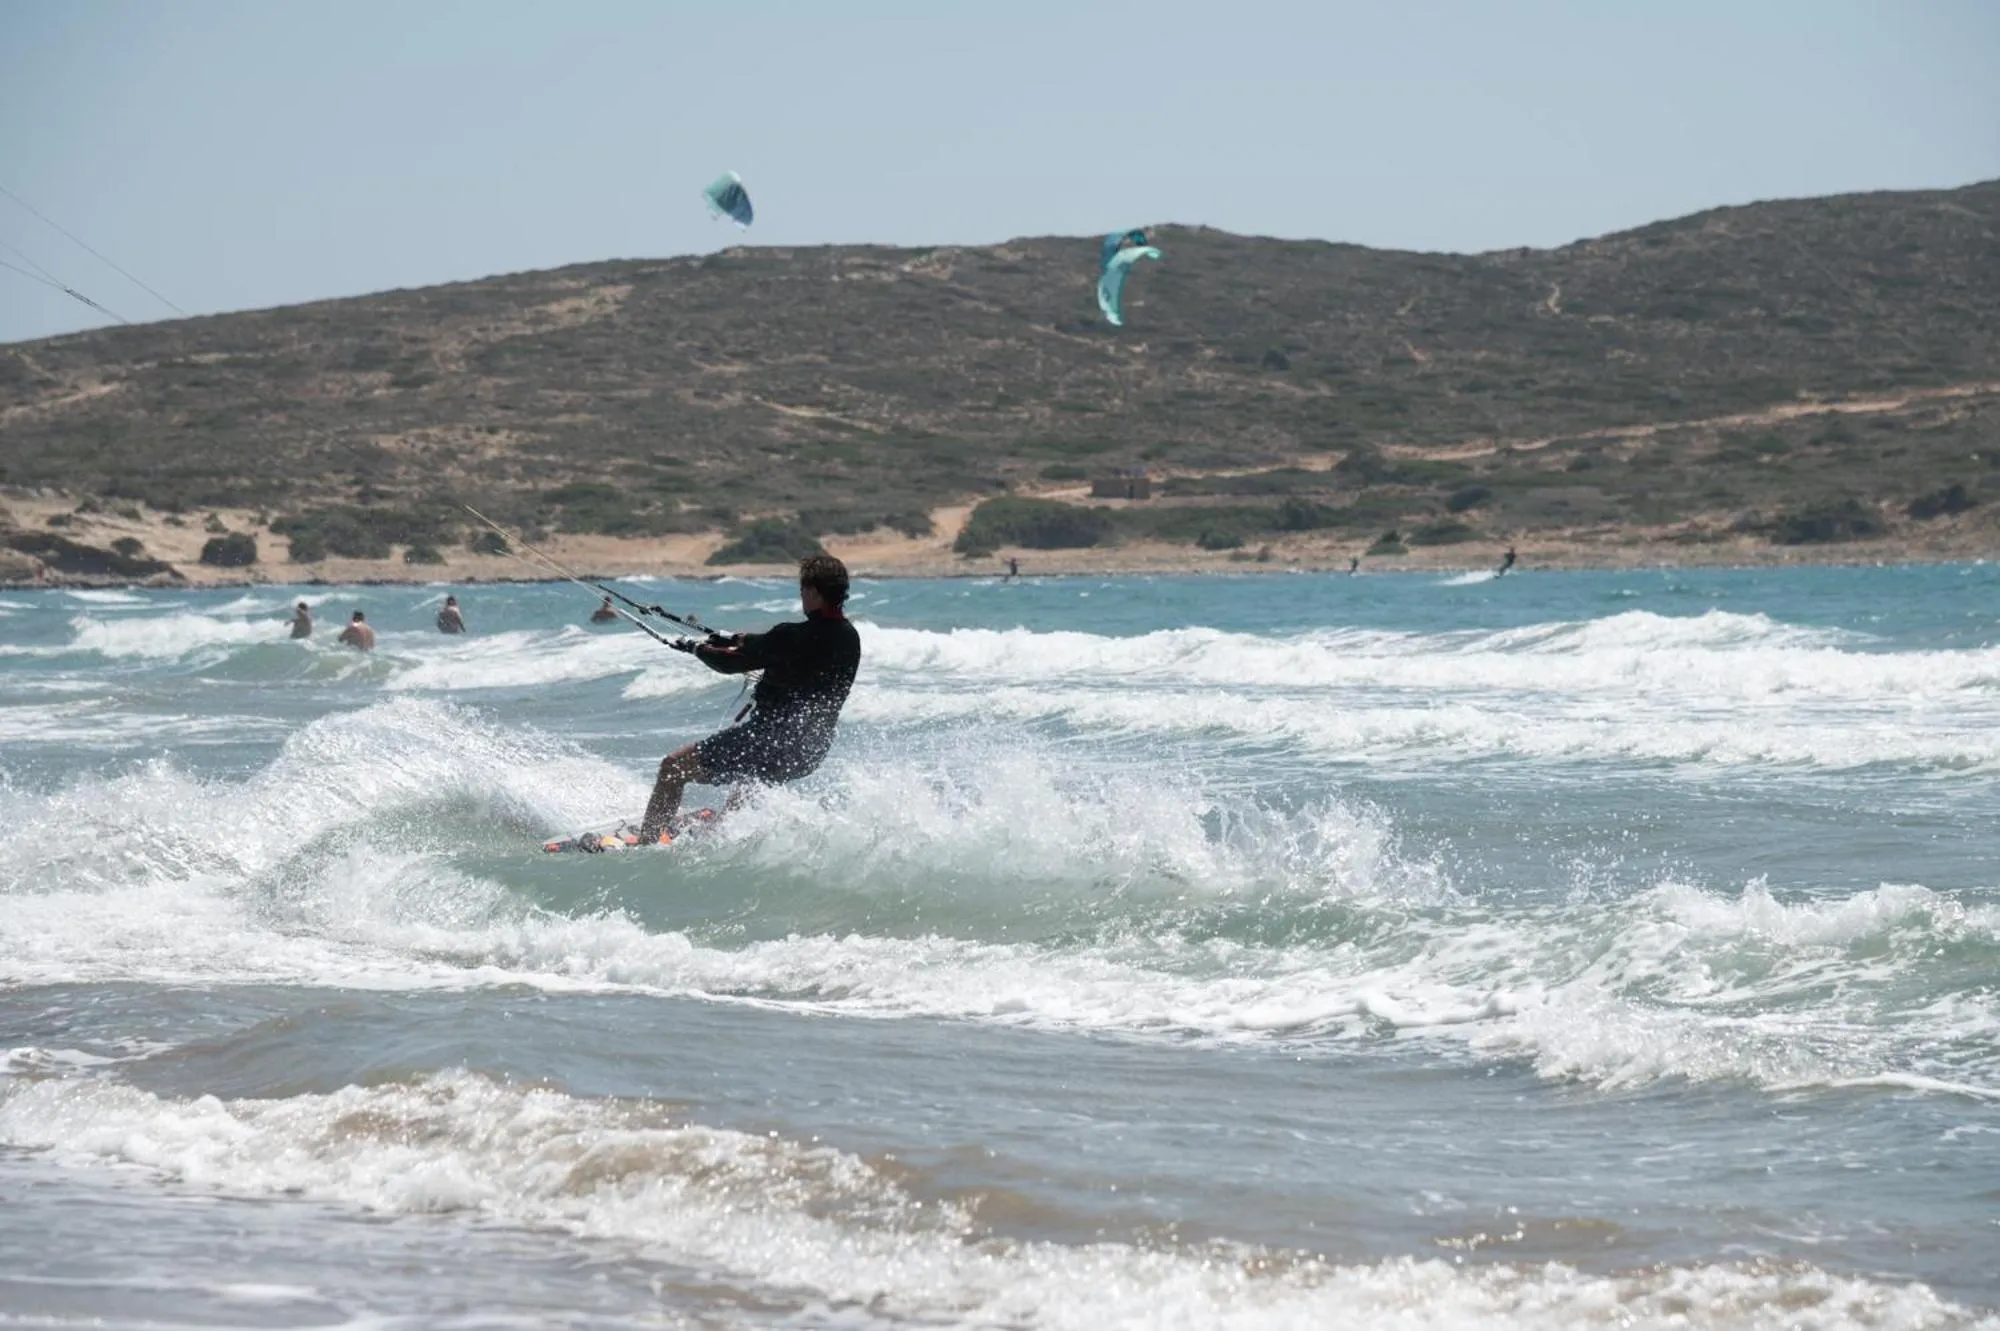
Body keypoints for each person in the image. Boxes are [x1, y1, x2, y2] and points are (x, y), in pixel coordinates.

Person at [636, 554, 861, 843]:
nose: (802, 596)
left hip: (769, 740)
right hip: (811, 748)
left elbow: (730, 663)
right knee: (751, 776)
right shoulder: (849, 638)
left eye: (803, 590)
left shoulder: (791, 636)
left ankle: (646, 844)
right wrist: (735, 639)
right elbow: (771, 646)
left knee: (672, 767)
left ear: (815, 592)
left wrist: (694, 648)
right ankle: (721, 835)